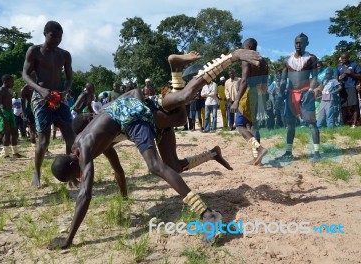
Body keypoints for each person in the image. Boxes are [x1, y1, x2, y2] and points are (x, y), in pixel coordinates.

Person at [48, 50, 262, 250]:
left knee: (156, 163)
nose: (80, 176)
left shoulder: (84, 148)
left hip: (134, 115)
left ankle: (207, 214)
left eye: (75, 174)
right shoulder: (91, 143)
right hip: (136, 117)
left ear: (72, 162)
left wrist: (68, 239)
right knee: (174, 155)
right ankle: (177, 72)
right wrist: (124, 198)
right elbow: (118, 170)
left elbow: (85, 195)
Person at [22, 20, 76, 188]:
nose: (57, 40)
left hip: (60, 97)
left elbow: (69, 78)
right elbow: (25, 74)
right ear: (45, 34)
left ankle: (71, 173)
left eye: (60, 37)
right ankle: (37, 172)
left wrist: (65, 91)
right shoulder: (35, 51)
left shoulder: (64, 55)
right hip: (41, 97)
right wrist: (40, 89)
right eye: (53, 36)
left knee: (70, 137)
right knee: (44, 140)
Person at [277, 33, 320, 162]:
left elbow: (315, 77)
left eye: (301, 43)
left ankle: (317, 153)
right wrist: (280, 93)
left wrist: (311, 90)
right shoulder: (287, 59)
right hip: (291, 94)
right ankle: (288, 152)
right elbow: (284, 79)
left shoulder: (311, 58)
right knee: (290, 124)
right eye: (296, 42)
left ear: (306, 43)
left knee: (311, 123)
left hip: (305, 93)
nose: (298, 45)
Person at [230, 38, 268, 166]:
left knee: (239, 125)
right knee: (253, 125)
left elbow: (245, 81)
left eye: (244, 47)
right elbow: (265, 83)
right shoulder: (264, 62)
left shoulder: (247, 59)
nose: (242, 50)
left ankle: (260, 149)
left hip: (249, 93)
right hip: (260, 94)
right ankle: (257, 158)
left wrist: (236, 100)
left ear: (250, 47)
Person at [0, 74, 24, 159]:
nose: (13, 83)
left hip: (10, 112)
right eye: (11, 81)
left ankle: (15, 153)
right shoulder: (1, 90)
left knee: (14, 132)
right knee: (6, 134)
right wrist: (3, 118)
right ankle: (5, 154)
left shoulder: (8, 90)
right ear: (5, 82)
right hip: (3, 113)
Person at [337, 52, 361, 128]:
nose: (343, 60)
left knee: (354, 105)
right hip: (343, 88)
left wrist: (351, 73)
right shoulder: (339, 67)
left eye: (344, 58)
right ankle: (344, 122)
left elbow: (360, 76)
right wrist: (340, 78)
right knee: (344, 106)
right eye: (342, 58)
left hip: (352, 87)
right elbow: (337, 79)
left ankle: (354, 123)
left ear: (348, 57)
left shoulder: (354, 64)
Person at [21, 77, 36, 145]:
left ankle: (44, 148)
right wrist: (24, 113)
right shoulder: (25, 89)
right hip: (30, 109)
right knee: (32, 128)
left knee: (41, 128)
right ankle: (34, 144)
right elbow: (23, 103)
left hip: (38, 107)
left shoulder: (38, 86)